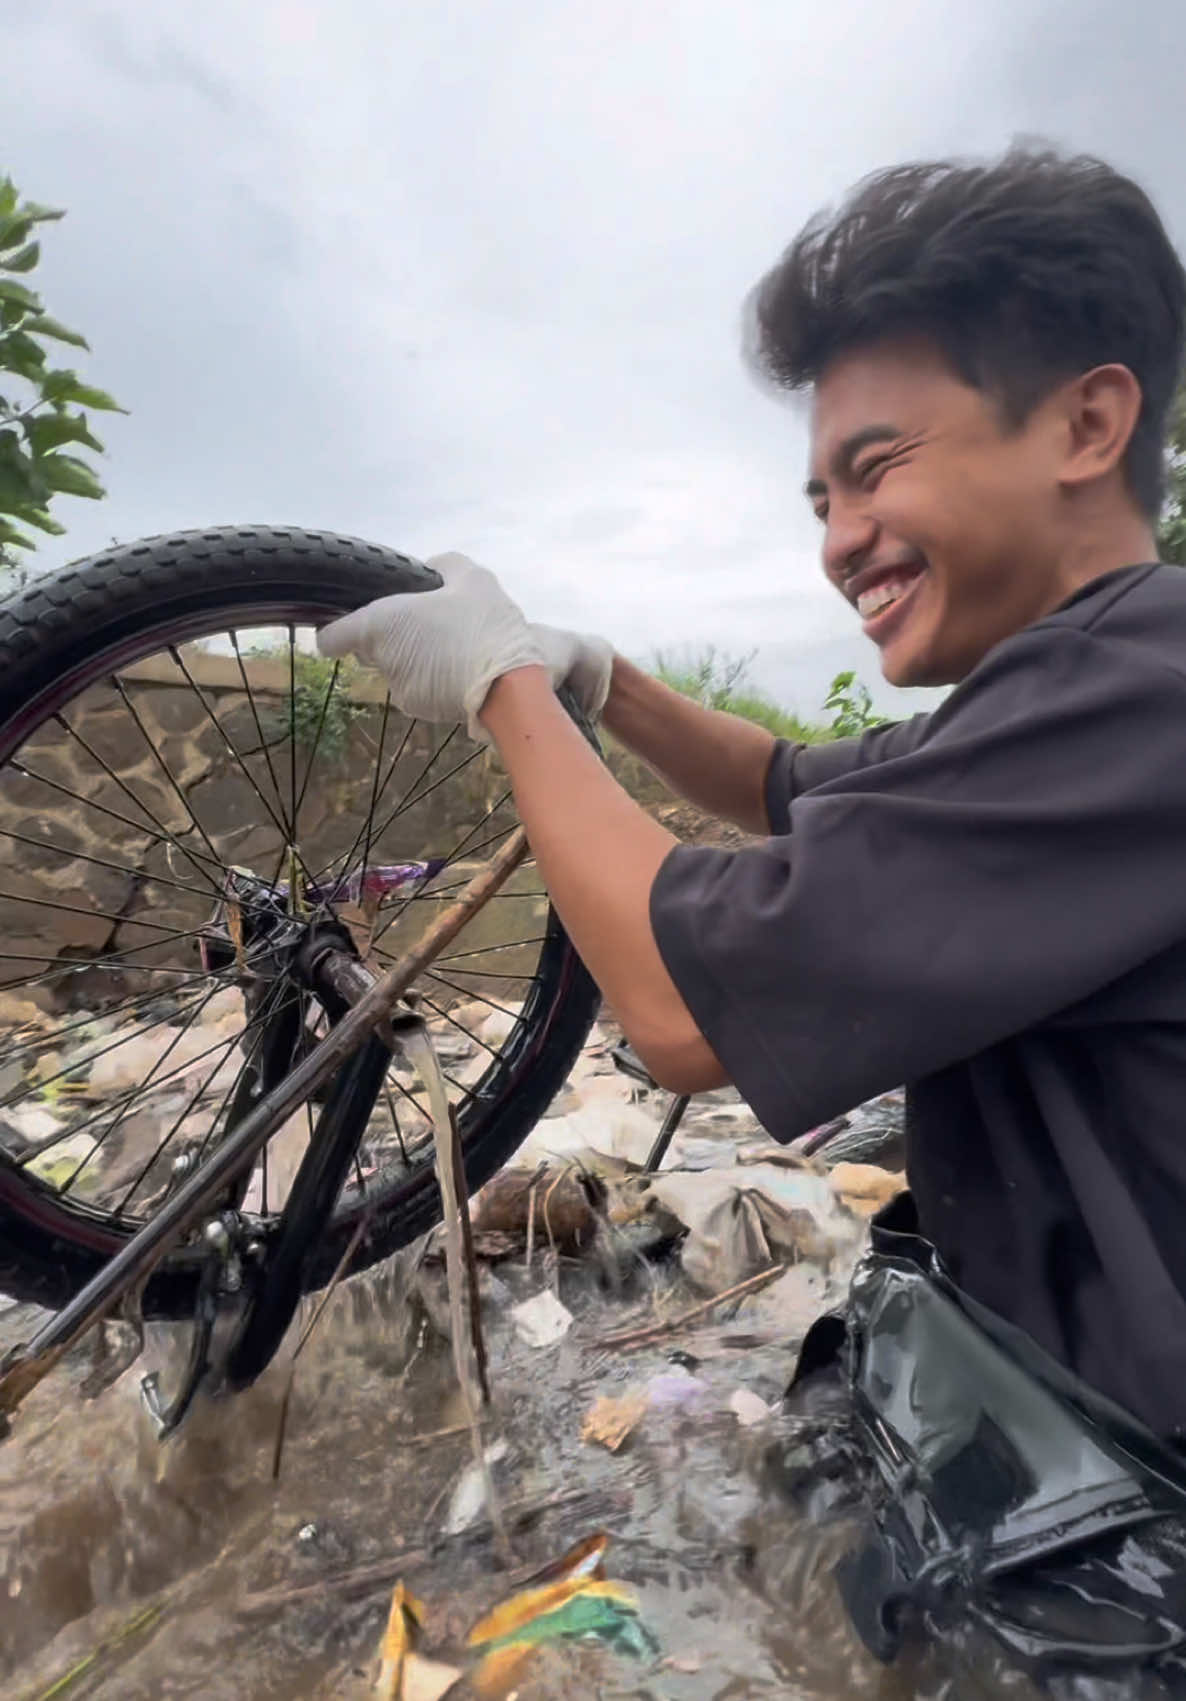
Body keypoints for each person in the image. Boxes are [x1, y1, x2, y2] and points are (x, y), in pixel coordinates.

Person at [321, 147, 1186, 1692]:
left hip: (1140, 1518)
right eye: (819, 495)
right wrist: (605, 680)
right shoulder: (1068, 691)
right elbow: (792, 784)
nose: (839, 535)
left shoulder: (1148, 692)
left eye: (876, 466)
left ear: (1085, 420)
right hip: (1069, 1416)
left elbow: (673, 1009)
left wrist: (507, 692)